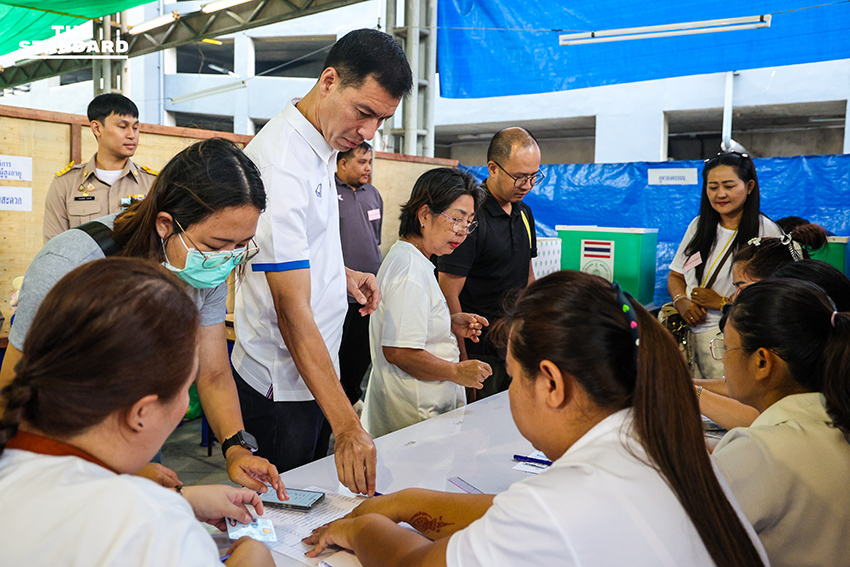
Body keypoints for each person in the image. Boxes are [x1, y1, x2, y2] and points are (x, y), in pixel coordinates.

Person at [304, 271, 769, 567]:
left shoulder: (564, 504)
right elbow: (512, 511)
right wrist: (408, 501)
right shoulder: (668, 451)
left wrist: (360, 528)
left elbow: (419, 564)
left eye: (513, 378)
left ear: (550, 382)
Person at [0, 138, 285, 498]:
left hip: (139, 440)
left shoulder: (201, 267)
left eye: (240, 245)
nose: (226, 260)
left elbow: (212, 371)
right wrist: (116, 468)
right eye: (216, 245)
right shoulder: (72, 261)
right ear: (166, 224)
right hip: (55, 459)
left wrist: (236, 447)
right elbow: (14, 390)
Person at [0, 258, 274, 567]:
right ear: (140, 413)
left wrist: (179, 500)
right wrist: (255, 560)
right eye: (186, 388)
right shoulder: (149, 524)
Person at [231, 28, 412, 495]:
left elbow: (302, 253)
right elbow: (291, 313)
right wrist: (348, 425)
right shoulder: (281, 166)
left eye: (382, 120)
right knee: (276, 518)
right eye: (364, 113)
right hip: (282, 389)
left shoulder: (322, 148)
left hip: (314, 377)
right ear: (329, 80)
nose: (368, 133)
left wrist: (341, 276)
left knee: (311, 509)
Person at [710, 278, 850, 567]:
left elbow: (690, 536)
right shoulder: (830, 422)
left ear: (762, 362)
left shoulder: (760, 449)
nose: (722, 359)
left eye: (727, 347)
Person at [361, 168, 491, 438]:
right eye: (456, 219)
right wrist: (457, 372)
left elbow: (408, 327)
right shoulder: (410, 271)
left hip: (419, 412)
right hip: (414, 417)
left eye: (469, 223)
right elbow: (400, 352)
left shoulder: (413, 259)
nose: (462, 232)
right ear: (423, 215)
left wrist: (447, 323)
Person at [437, 127, 540, 400]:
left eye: (533, 177)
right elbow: (448, 291)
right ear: (492, 168)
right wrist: (462, 360)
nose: (527, 186)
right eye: (519, 177)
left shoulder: (524, 213)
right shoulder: (471, 216)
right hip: (479, 350)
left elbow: (527, 273)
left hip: (512, 344)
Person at [697, 224, 828, 429]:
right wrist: (689, 385)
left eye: (741, 286)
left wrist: (691, 393)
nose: (734, 297)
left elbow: (760, 418)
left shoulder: (791, 337)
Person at [668, 151, 782, 381]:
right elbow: (676, 275)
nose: (720, 194)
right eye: (713, 187)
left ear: (749, 186)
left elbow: (774, 298)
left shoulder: (766, 233)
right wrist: (682, 301)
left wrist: (721, 303)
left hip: (733, 342)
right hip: (688, 340)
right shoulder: (699, 227)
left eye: (729, 186)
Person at [43, 93, 157, 243]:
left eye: (136, 128)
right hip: (85, 267)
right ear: (97, 128)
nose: (132, 135)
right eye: (123, 127)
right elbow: (55, 249)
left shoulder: (152, 184)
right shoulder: (66, 184)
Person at [335, 141, 383, 407]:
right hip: (339, 293)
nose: (368, 168)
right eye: (361, 162)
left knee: (360, 353)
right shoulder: (329, 191)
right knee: (337, 355)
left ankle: (352, 398)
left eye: (370, 162)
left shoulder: (372, 194)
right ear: (343, 163)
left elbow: (374, 236)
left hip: (368, 295)